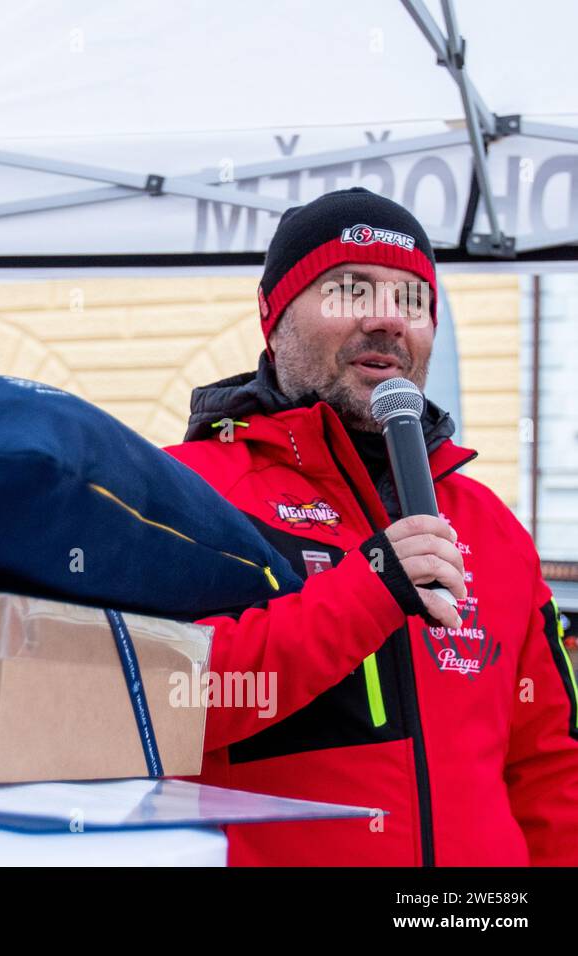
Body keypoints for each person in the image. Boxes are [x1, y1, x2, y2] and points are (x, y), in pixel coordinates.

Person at [167, 187, 578, 866]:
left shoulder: (492, 527)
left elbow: (550, 764)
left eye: (412, 299)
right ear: (274, 320)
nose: (387, 319)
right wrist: (365, 593)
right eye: (349, 289)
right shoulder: (188, 493)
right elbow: (151, 704)